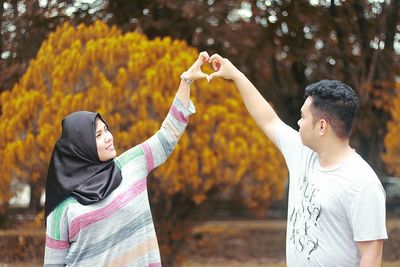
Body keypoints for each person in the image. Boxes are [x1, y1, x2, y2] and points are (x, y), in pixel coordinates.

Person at [207, 54, 388, 266]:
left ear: (322, 126)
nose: (298, 122)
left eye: (303, 117)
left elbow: (371, 256)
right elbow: (268, 120)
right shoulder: (302, 153)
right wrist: (235, 75)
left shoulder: (362, 183)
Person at [43, 52, 210, 266]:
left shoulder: (131, 165)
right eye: (98, 135)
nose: (108, 137)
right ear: (79, 147)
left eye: (106, 130)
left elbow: (168, 134)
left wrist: (186, 80)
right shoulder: (62, 208)